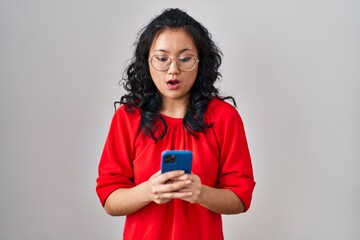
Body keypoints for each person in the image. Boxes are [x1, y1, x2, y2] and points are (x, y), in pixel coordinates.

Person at [96, 8, 255, 240]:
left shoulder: (224, 117)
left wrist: (201, 193)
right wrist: (148, 191)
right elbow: (109, 199)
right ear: (147, 62)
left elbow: (240, 199)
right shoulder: (127, 118)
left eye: (184, 59)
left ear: (200, 62)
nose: (173, 69)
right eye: (162, 59)